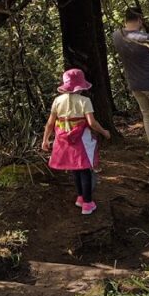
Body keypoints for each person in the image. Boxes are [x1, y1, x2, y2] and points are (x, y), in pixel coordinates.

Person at [41, 68, 111, 216]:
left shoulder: (57, 101)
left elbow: (50, 123)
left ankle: (80, 197)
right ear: (81, 86)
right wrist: (104, 132)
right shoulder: (85, 101)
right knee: (84, 169)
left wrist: (45, 139)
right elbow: (91, 123)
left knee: (75, 168)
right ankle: (87, 203)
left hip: (63, 139)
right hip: (81, 139)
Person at [112, 8, 149, 164]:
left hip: (134, 83)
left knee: (147, 114)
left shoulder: (117, 35)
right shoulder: (145, 39)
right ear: (139, 19)